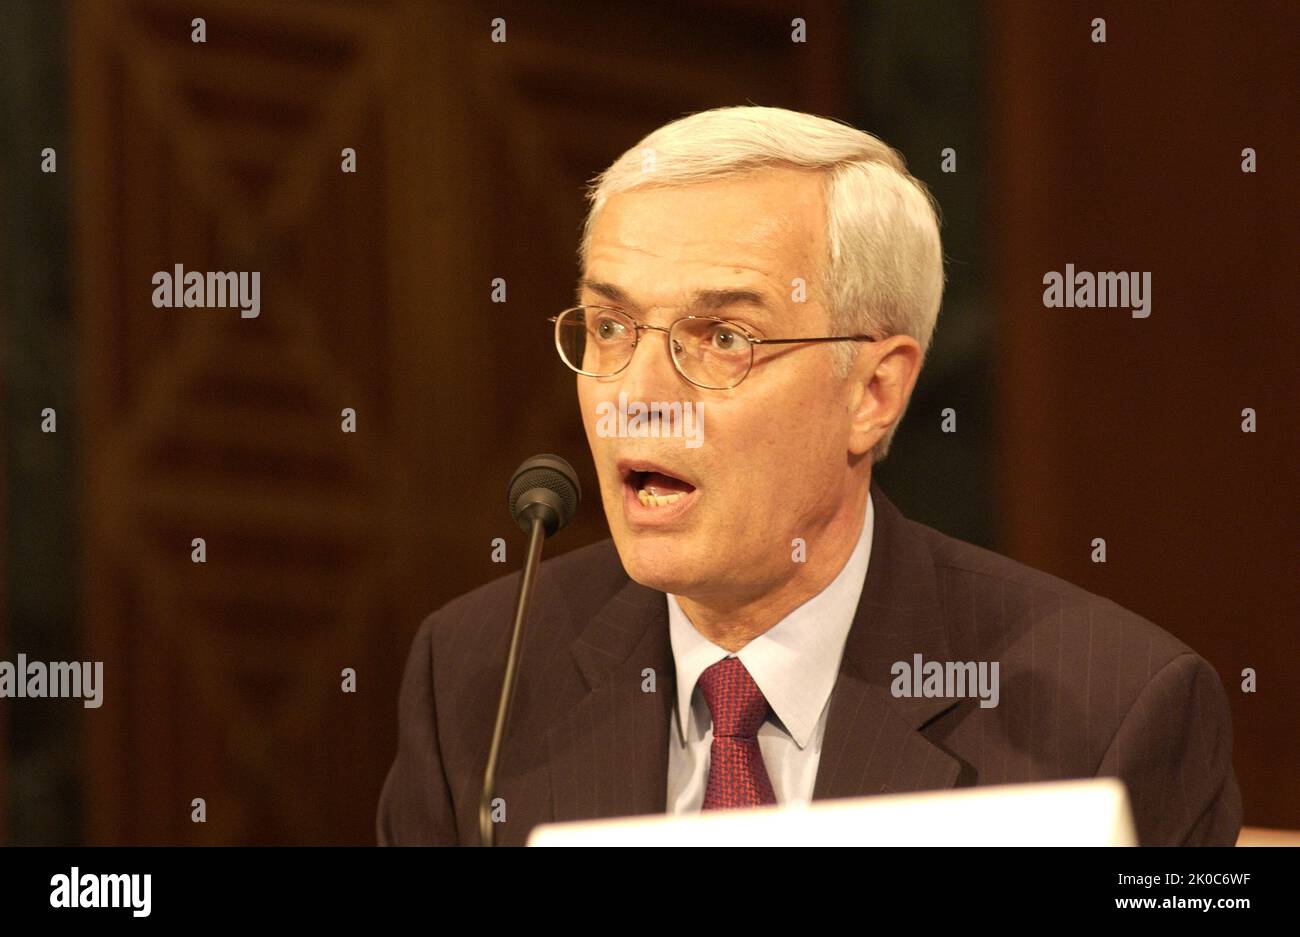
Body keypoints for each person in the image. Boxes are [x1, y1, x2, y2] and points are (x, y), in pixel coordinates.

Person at [376, 105, 1241, 846]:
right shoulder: (479, 679)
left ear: (875, 389)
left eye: (722, 337)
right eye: (610, 327)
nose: (635, 398)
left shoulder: (1111, 712)